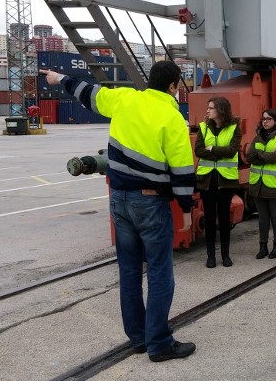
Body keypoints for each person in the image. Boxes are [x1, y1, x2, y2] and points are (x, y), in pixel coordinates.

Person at [40, 63, 196, 362]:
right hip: (150, 202)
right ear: (174, 86)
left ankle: (138, 338)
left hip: (119, 200)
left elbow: (87, 92)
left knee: (129, 272)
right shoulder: (172, 117)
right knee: (161, 272)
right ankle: (160, 343)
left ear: (151, 81)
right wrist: (187, 208)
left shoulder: (124, 98)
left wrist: (58, 77)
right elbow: (182, 169)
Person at [195, 97, 241, 268]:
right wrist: (218, 152)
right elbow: (198, 150)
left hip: (226, 181)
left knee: (223, 218)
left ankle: (225, 255)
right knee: (209, 218)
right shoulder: (203, 127)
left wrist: (213, 149)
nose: (207, 111)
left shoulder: (235, 129)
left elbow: (231, 152)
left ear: (220, 110)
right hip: (206, 181)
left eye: (211, 108)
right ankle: (210, 256)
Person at [246, 108, 276, 259]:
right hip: (258, 183)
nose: (265, 122)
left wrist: (259, 155)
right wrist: (263, 156)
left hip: (275, 184)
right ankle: (263, 246)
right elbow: (249, 156)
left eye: (268, 119)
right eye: (263, 119)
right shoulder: (258, 136)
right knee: (263, 217)